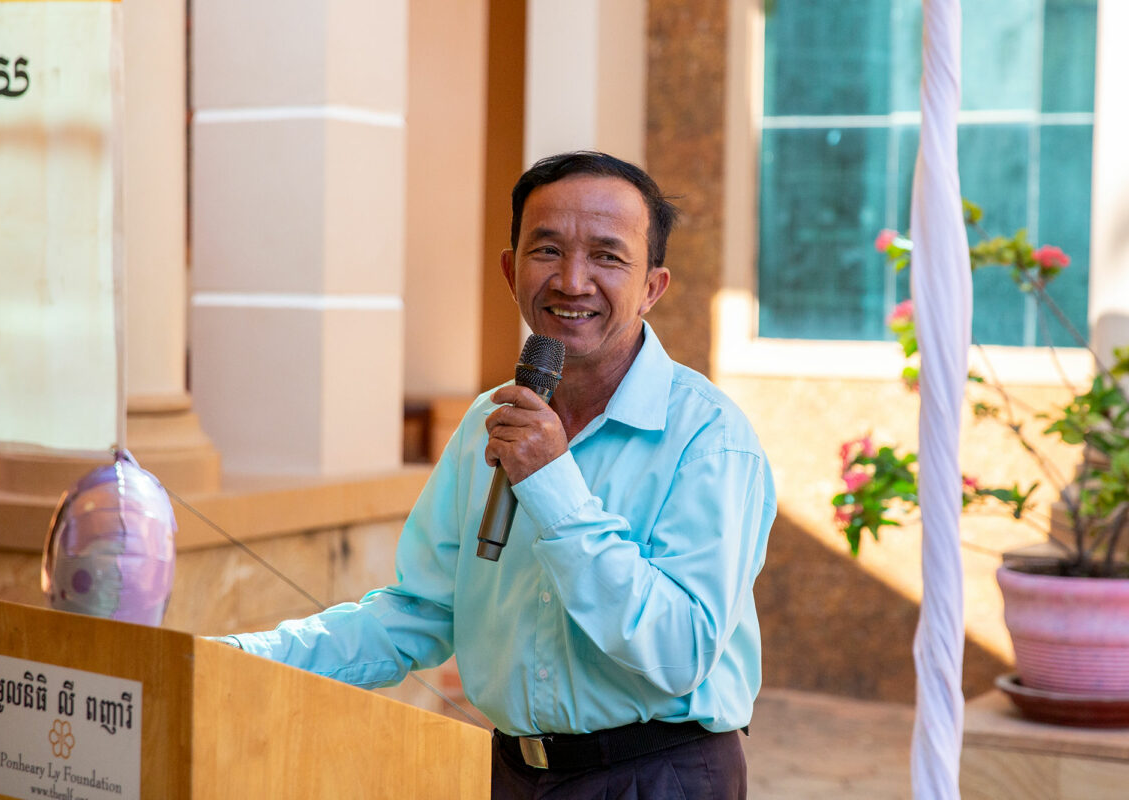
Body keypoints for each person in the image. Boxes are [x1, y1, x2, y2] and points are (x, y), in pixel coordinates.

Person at [220, 151, 776, 799]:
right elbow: (421, 611)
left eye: (607, 256)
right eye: (547, 251)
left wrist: (553, 483)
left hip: (657, 775)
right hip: (513, 773)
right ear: (511, 271)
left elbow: (681, 652)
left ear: (653, 287)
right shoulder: (491, 420)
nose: (572, 281)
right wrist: (242, 659)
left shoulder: (710, 438)